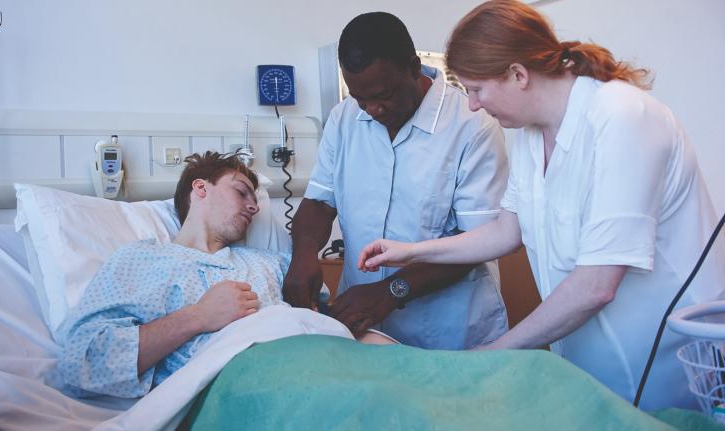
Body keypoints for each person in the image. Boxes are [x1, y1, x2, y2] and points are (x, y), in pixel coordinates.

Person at [358, 0, 725, 410]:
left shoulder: (622, 118)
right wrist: (411, 251)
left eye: (476, 90)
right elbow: (506, 231)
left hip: (672, 364)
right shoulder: (531, 137)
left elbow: (596, 285)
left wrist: (491, 354)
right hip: (592, 365)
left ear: (517, 74)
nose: (474, 105)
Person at [58, 152, 390, 398]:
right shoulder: (141, 260)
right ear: (200, 188)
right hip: (252, 389)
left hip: (332, 366)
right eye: (241, 192)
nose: (254, 206)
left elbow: (325, 322)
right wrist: (198, 317)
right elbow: (82, 363)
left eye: (254, 198)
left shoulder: (271, 263)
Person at [282, 12, 509, 350]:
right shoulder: (344, 119)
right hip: (362, 322)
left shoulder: (472, 127)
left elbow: (478, 241)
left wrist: (391, 291)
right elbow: (319, 200)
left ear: (413, 68)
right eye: (360, 98)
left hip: (449, 331)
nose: (373, 109)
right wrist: (303, 257)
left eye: (383, 95)